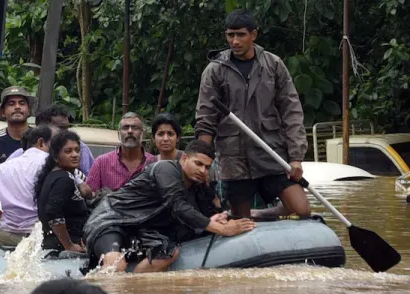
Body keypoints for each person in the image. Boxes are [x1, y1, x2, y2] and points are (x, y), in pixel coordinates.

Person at [195, 8, 310, 220]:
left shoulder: (273, 65)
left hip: (271, 152)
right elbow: (205, 118)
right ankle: (242, 216)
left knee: (301, 209)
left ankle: (263, 214)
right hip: (234, 157)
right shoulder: (215, 70)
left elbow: (291, 111)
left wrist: (296, 158)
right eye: (231, 35)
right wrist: (202, 161)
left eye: (241, 35)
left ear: (253, 34)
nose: (235, 41)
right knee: (242, 222)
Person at [84, 140, 257, 274]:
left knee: (168, 252)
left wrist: (215, 219)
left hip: (139, 228)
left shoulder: (197, 187)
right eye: (198, 164)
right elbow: (178, 207)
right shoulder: (165, 169)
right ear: (184, 159)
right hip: (111, 220)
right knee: (116, 265)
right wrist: (222, 229)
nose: (203, 171)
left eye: (207, 167)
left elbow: (196, 217)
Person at [0, 126, 54, 248]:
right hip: (40, 237)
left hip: (6, 235)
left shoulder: (1, 168)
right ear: (41, 142)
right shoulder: (54, 163)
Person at [34, 131, 90, 254]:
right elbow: (53, 211)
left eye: (77, 150)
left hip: (53, 243)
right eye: (68, 151)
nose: (75, 155)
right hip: (61, 249)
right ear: (55, 157)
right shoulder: (64, 179)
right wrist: (69, 245)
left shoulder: (54, 175)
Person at [87, 112, 157, 194]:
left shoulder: (154, 162)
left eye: (135, 127)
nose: (130, 131)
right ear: (118, 134)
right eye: (125, 127)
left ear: (143, 134)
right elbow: (90, 196)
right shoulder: (101, 162)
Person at [34, 104, 94, 176]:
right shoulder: (28, 149)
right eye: (61, 128)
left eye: (67, 128)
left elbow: (89, 179)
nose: (67, 132)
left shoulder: (80, 148)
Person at [0, 86, 36, 165]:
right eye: (11, 104)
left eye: (22, 103)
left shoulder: (41, 138)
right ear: (3, 112)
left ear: (29, 110)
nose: (17, 107)